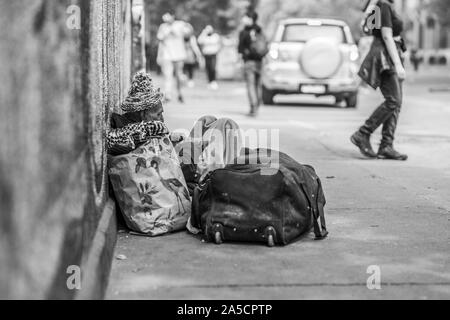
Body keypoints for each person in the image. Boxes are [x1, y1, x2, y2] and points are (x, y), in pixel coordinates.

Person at [351, 0, 408, 161]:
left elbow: (368, 27)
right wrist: (397, 64)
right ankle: (362, 133)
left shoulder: (379, 5)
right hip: (385, 56)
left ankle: (386, 146)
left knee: (396, 103)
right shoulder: (383, 5)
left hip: (389, 53)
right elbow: (386, 35)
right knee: (393, 101)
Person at [108, 72, 183, 156]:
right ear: (143, 114)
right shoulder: (126, 128)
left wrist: (169, 140)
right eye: (158, 114)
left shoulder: (144, 131)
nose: (162, 119)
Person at [157, 13, 190, 103]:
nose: (166, 18)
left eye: (168, 16)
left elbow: (188, 33)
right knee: (168, 76)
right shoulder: (163, 27)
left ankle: (180, 93)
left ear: (172, 16)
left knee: (179, 75)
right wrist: (159, 56)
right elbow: (160, 39)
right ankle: (168, 95)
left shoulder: (180, 24)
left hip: (179, 55)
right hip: (167, 55)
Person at [238, 12, 265, 117]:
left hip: (249, 61)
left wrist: (240, 60)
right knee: (258, 85)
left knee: (250, 85)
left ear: (250, 19)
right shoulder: (260, 30)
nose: (243, 19)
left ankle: (253, 107)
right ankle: (257, 106)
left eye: (245, 17)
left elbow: (240, 48)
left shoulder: (244, 32)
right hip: (260, 61)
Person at [198, 25, 222, 90]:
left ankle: (213, 81)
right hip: (207, 55)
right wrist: (204, 33)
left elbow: (219, 44)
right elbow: (199, 41)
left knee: (213, 68)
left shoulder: (215, 36)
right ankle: (209, 81)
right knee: (208, 68)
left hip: (213, 54)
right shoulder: (204, 36)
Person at [183, 23, 204, 88]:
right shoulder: (180, 37)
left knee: (190, 68)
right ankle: (184, 80)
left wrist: (198, 55)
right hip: (182, 55)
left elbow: (195, 47)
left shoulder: (192, 38)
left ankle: (190, 80)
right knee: (183, 68)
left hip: (189, 55)